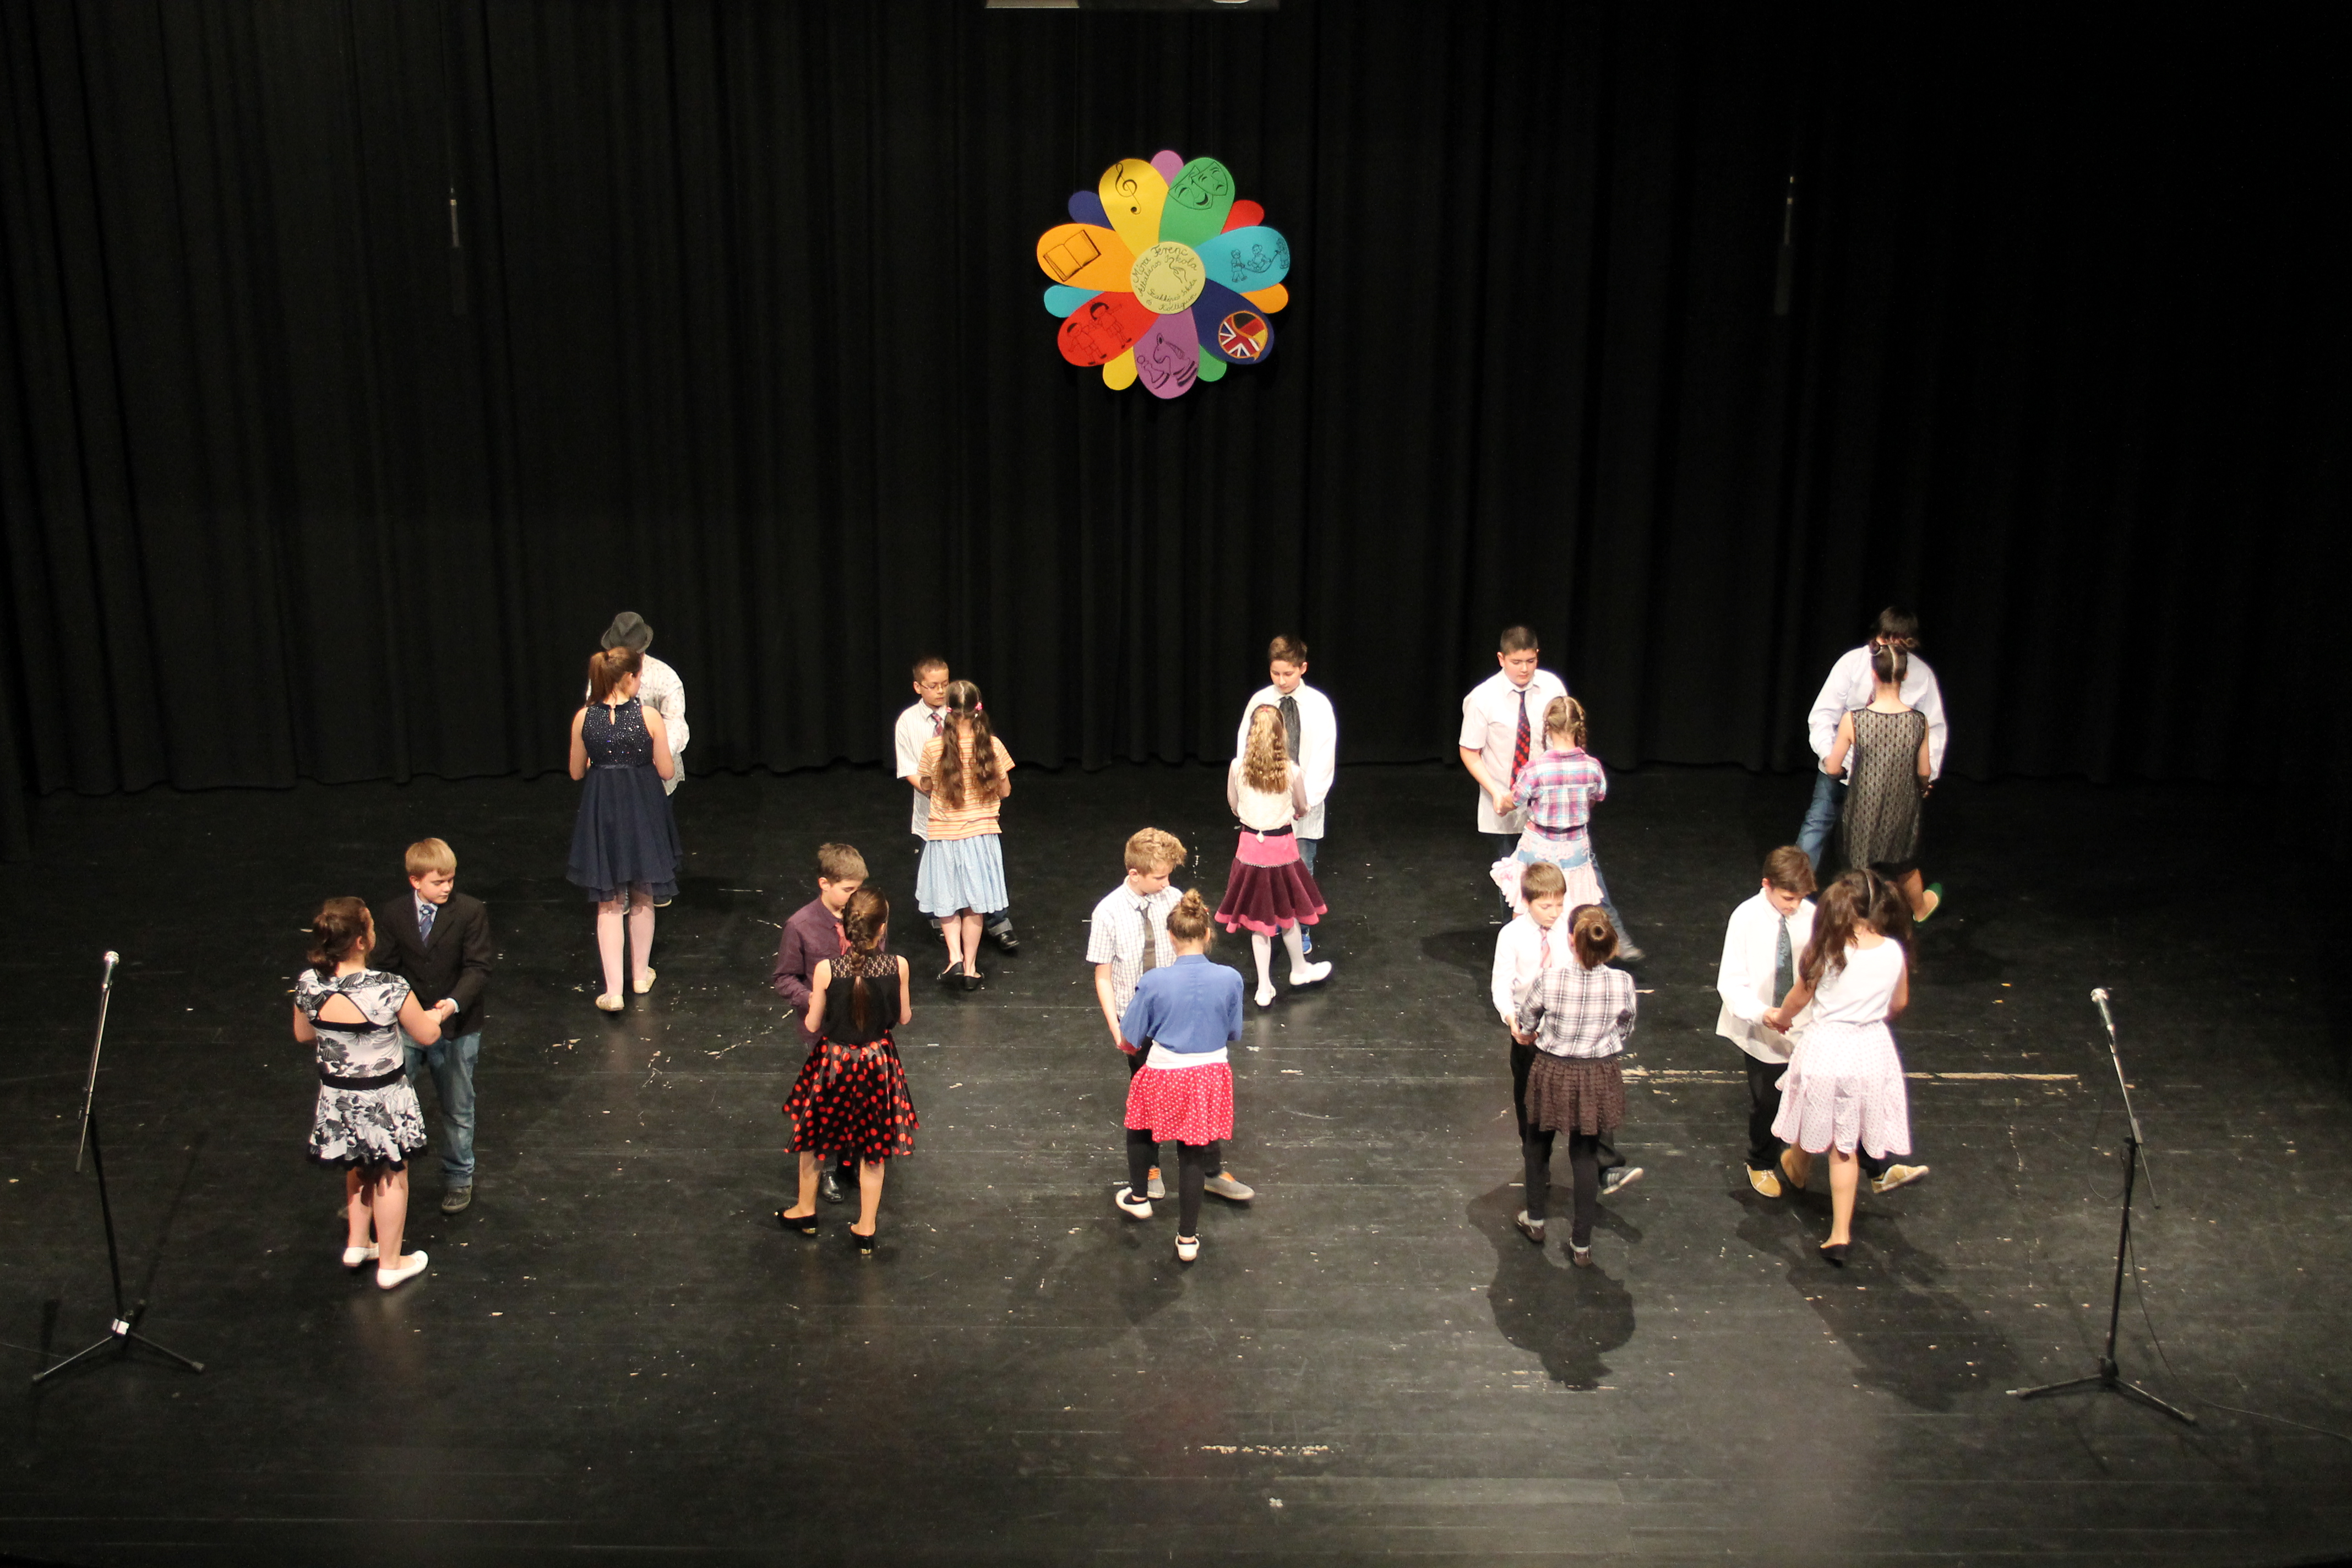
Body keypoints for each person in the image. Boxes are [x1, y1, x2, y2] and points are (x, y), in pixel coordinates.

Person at [1090, 829, 1255, 1206]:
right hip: (1139, 1020)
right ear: (1135, 874)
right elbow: (1103, 975)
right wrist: (1117, 1029)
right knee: (1147, 1099)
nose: (1167, 883)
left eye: (1168, 875)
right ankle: (1149, 1169)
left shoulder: (1172, 898)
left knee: (1199, 1094)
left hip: (1180, 1015)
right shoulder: (1108, 912)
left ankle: (1210, 1171)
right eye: (1159, 876)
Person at [1458, 627, 1642, 959]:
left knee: (1586, 878)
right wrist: (1497, 792)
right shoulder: (1483, 698)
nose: (1524, 669)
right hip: (1507, 799)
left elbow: (1568, 732)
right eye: (1517, 662)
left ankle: (1608, 939)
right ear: (1501, 659)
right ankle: (1520, 951)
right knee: (1519, 883)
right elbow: (1470, 750)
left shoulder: (1552, 687)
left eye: (1530, 661)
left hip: (1551, 800)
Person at [1764, 869, 1914, 1265]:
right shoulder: (1893, 952)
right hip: (1871, 1049)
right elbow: (1899, 1003)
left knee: (1835, 1139)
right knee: (1836, 1135)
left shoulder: (1827, 950)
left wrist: (1781, 1018)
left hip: (1827, 1048)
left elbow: (1799, 997)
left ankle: (1838, 1232)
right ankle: (1800, 1171)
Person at [294, 896, 442, 1291]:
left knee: (357, 1163)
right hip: (382, 1098)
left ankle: (358, 1244)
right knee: (393, 1171)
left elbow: (303, 1034)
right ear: (361, 941)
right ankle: (391, 1264)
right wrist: (439, 1014)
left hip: (338, 1095)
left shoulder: (309, 983)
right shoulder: (388, 988)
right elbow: (426, 1034)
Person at [778, 887, 916, 1255]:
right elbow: (904, 1017)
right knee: (874, 1148)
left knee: (814, 1137)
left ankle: (805, 1210)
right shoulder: (898, 965)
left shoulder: (827, 969)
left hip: (835, 1063)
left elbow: (813, 1022)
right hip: (877, 1062)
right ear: (881, 928)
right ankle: (866, 1228)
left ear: (845, 925)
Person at [1112, 890, 1246, 1264]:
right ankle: (1187, 1238)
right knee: (1193, 1151)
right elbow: (1234, 1031)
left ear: (1170, 937)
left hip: (1165, 1073)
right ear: (1208, 934)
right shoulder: (1231, 978)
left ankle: (1140, 1196)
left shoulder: (1154, 980)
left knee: (1140, 1126)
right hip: (1210, 1074)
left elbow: (1129, 1038)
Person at [1493, 862, 1640, 1200]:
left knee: (1591, 1098)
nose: (1554, 912)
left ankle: (1607, 1166)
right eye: (1546, 906)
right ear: (1527, 901)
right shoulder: (1511, 936)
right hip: (1529, 1030)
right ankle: (1538, 1166)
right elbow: (1502, 983)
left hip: (1567, 1027)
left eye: (1559, 904)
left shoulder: (1570, 932)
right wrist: (1511, 1019)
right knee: (1530, 1108)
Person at [372, 838, 493, 1215]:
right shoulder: (395, 914)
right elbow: (385, 968)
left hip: (456, 1027)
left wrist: (448, 1007)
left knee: (457, 1106)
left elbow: (478, 968)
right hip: (407, 1027)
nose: (446, 888)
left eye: (450, 880)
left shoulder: (469, 911)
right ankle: (380, 1183)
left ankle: (458, 1178)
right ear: (415, 881)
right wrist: (407, 1012)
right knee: (389, 1104)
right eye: (438, 882)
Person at [1514, 905, 1638, 1266]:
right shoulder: (1622, 983)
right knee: (1585, 1156)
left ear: (1571, 941)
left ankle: (1535, 1220)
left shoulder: (1551, 980)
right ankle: (1581, 1244)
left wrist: (1531, 1034)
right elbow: (1626, 1027)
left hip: (1553, 1070)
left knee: (1538, 1144)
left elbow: (1527, 1019)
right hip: (1597, 1073)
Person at [567, 645, 682, 1011]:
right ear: (630, 677)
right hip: (643, 808)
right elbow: (667, 770)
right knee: (643, 893)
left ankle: (614, 991)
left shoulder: (583, 718)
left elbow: (576, 771)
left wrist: (602, 759)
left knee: (609, 900)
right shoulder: (649, 717)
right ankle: (640, 975)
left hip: (602, 809)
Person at [1798, 606, 1948, 876]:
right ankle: (1795, 889)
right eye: (1884, 641)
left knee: (1884, 844)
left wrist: (1925, 777)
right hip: (1844, 767)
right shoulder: (1852, 663)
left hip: (1888, 779)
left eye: (1897, 644)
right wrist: (1831, 757)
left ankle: (1869, 895)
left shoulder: (1922, 676)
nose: (1888, 650)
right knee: (1818, 822)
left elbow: (1933, 731)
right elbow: (1823, 716)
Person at [770, 842, 873, 1206]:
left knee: (859, 1097)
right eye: (848, 889)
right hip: (823, 1031)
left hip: (862, 1026)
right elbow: (785, 978)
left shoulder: (865, 916)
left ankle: (851, 1159)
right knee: (827, 1100)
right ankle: (826, 1166)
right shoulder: (801, 925)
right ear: (824, 884)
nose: (855, 896)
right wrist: (815, 1000)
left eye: (859, 888)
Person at [1216, 704, 1333, 1007]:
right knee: (1287, 913)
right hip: (1282, 851)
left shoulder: (1238, 767)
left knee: (1259, 922)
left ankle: (1265, 987)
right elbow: (1302, 806)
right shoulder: (1291, 771)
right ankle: (1299, 969)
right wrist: (1295, 811)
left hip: (1250, 850)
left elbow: (1233, 803)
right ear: (1282, 734)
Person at [1714, 847, 1816, 1198]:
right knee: (1768, 1100)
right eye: (1788, 897)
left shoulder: (1812, 917)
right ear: (1767, 884)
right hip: (1760, 1024)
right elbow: (1731, 982)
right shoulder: (1745, 918)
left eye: (1800, 898)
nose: (1794, 905)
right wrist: (1764, 1014)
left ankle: (1799, 1159)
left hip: (1806, 1025)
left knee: (1814, 1097)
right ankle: (1761, 1162)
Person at [897, 656, 1017, 953]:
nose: (940, 690)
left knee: (971, 880)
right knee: (952, 884)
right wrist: (945, 792)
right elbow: (912, 771)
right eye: (933, 685)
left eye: (944, 684)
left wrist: (946, 788)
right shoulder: (911, 724)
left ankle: (982, 934)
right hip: (945, 821)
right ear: (918, 687)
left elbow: (931, 778)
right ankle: (960, 947)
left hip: (962, 823)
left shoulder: (952, 740)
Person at [1822, 639, 1943, 921]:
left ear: (1873, 674)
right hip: (1902, 807)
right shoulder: (1919, 722)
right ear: (1905, 675)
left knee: (1856, 868)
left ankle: (1852, 921)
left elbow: (1832, 766)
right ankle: (1920, 911)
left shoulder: (1854, 720)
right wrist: (1923, 788)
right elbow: (1924, 771)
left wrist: (1839, 773)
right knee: (1905, 866)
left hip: (1863, 809)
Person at [1233, 635, 1335, 951]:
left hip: (1303, 806)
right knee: (1265, 871)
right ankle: (1271, 921)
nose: (1281, 680)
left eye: (1288, 674)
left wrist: (1305, 804)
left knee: (1300, 868)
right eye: (1275, 673)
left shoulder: (1318, 705)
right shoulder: (1260, 701)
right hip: (1266, 809)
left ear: (1303, 668)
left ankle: (1301, 928)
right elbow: (1245, 751)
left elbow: (1323, 758)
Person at [915, 680, 1015, 990]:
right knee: (975, 904)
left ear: (948, 709)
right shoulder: (993, 746)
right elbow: (1005, 791)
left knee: (947, 902)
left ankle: (954, 958)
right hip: (981, 837)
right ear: (977, 709)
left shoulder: (933, 748)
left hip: (944, 836)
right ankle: (971, 968)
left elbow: (926, 785)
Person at [1489, 695, 1605, 917]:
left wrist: (1501, 804)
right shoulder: (1592, 767)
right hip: (1575, 850)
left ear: (1548, 727)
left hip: (1539, 848)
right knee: (1574, 913)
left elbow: (1514, 801)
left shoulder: (1535, 769)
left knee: (1526, 908)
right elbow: (1595, 797)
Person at [597, 613, 689, 798]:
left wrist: (656, 758)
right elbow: (594, 718)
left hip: (655, 775)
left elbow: (676, 723)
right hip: (612, 776)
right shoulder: (602, 677)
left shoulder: (665, 677)